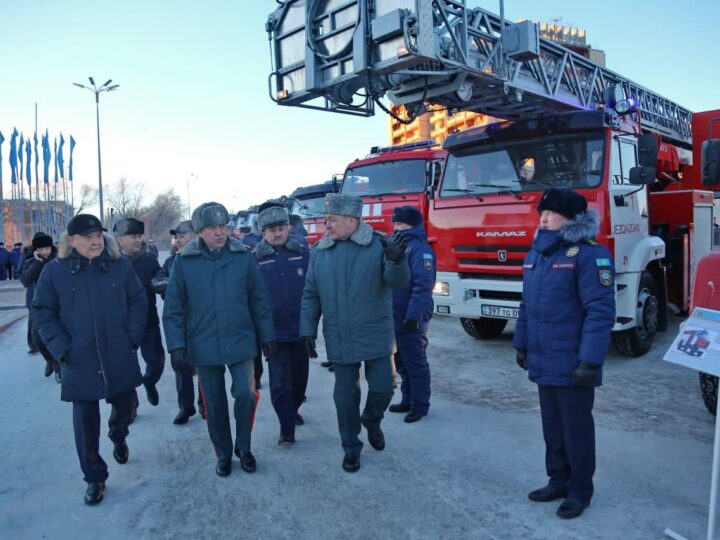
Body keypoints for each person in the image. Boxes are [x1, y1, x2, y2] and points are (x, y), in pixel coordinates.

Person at [512, 188, 615, 520]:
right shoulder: (537, 254)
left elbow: (600, 312)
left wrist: (590, 360)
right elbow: (527, 306)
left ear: (570, 217)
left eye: (552, 212)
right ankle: (558, 479)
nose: (543, 217)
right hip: (545, 356)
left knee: (576, 428)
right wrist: (522, 343)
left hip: (573, 360)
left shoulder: (588, 255)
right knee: (552, 426)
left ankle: (580, 490)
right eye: (542, 212)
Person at [33, 214, 147, 506]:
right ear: (72, 241)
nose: (96, 241)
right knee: (85, 423)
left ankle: (118, 435)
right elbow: (43, 313)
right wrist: (62, 349)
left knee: (126, 405)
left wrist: (131, 337)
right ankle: (95, 477)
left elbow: (138, 300)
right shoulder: (55, 272)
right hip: (78, 358)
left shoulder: (118, 265)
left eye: (99, 235)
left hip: (118, 353)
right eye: (88, 237)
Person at [163, 202, 275, 478]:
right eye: (213, 228)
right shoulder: (185, 262)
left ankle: (244, 448)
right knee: (213, 402)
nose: (219, 232)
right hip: (203, 344)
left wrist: (267, 335)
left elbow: (258, 300)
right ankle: (223, 453)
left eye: (223, 226)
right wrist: (176, 346)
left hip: (240, 340)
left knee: (246, 394)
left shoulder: (242, 257)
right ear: (200, 231)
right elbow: (174, 308)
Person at [300, 194, 410, 473]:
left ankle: (372, 420)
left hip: (376, 332)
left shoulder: (379, 244)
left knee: (385, 386)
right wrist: (307, 329)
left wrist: (397, 262)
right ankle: (350, 447)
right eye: (326, 220)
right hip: (339, 334)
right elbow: (311, 294)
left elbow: (397, 282)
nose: (326, 225)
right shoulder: (320, 252)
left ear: (352, 221)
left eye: (332, 220)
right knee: (344, 396)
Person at [254, 206, 310, 446]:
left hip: (300, 330)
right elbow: (252, 297)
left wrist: (311, 326)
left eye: (281, 228)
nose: (278, 234)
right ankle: (286, 428)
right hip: (273, 332)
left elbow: (312, 290)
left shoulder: (302, 252)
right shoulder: (254, 258)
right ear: (263, 232)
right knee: (279, 384)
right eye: (272, 230)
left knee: (299, 381)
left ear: (288, 228)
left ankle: (293, 408)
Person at [151, 220, 205, 424]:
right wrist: (177, 285)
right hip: (179, 322)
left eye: (182, 235)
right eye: (177, 236)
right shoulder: (172, 262)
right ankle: (186, 407)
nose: (178, 240)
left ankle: (205, 404)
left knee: (204, 366)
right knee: (181, 365)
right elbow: (156, 282)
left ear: (196, 236)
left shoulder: (204, 259)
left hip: (201, 321)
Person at [387, 206, 435, 423]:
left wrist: (414, 316)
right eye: (394, 224)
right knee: (401, 361)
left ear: (412, 225)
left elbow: (423, 285)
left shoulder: (420, 249)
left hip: (412, 316)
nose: (395, 228)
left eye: (400, 224)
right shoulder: (395, 245)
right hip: (394, 315)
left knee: (415, 362)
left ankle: (420, 405)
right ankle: (407, 399)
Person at [113, 218, 164, 410]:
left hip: (148, 322)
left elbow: (160, 279)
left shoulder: (149, 259)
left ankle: (149, 381)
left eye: (139, 236)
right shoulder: (112, 263)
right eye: (133, 236)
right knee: (127, 370)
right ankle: (131, 407)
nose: (138, 240)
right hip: (122, 327)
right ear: (120, 240)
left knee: (156, 361)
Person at [20, 232, 57, 373]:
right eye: (40, 250)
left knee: (57, 336)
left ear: (51, 247)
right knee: (37, 339)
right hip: (37, 305)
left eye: (46, 249)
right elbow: (25, 281)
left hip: (57, 304)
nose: (44, 252)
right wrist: (37, 263)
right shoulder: (30, 262)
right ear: (36, 250)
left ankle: (58, 365)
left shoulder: (58, 260)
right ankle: (49, 360)